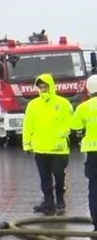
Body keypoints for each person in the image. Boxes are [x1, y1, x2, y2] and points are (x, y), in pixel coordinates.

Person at [23, 73, 74, 215]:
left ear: (51, 86)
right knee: (44, 178)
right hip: (40, 148)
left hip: (59, 149)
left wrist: (65, 132)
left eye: (45, 87)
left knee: (59, 177)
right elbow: (28, 126)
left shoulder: (63, 104)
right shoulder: (33, 105)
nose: (43, 90)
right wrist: (27, 144)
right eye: (41, 87)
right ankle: (48, 202)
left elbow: (71, 122)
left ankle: (60, 199)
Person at [74, 75, 97, 240]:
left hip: (92, 154)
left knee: (94, 190)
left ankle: (96, 224)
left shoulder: (83, 108)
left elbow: (77, 129)